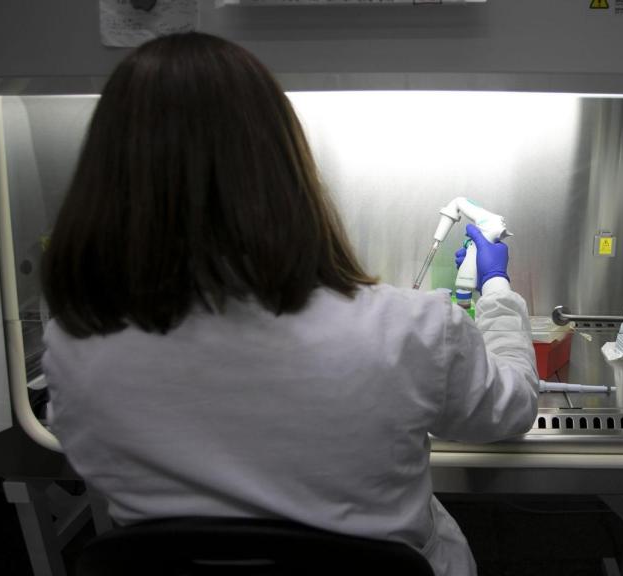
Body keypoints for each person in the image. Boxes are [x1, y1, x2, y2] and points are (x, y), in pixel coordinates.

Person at [41, 32, 538, 576]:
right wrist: (496, 288)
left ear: (105, 177)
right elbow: (511, 410)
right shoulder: (411, 329)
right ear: (280, 167)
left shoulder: (73, 345)